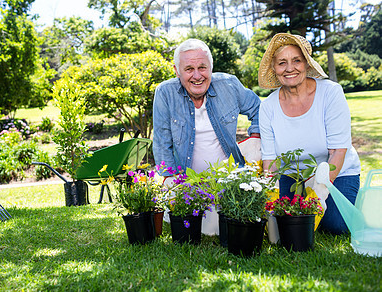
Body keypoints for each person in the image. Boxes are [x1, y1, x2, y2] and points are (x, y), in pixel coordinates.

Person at [153, 38, 261, 235]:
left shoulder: (229, 85)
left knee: (224, 226)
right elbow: (162, 141)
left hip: (228, 182)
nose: (197, 76)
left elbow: (259, 109)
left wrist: (255, 137)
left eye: (202, 67)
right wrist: (171, 181)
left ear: (211, 67)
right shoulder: (165, 93)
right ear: (177, 71)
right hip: (187, 185)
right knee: (193, 227)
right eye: (189, 69)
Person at [258, 33, 361, 235]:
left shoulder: (330, 93)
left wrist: (316, 195)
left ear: (306, 64)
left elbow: (338, 151)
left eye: (296, 60)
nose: (289, 68)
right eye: (282, 63)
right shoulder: (268, 106)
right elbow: (270, 161)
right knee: (282, 221)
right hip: (293, 176)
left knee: (336, 226)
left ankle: (350, 199)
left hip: (338, 171)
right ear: (274, 69)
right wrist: (269, 198)